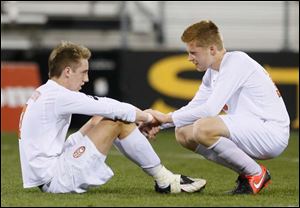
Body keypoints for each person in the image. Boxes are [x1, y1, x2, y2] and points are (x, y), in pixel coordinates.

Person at [18, 41, 206, 194]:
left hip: (50, 171)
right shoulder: (59, 96)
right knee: (117, 120)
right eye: (83, 72)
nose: (86, 79)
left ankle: (164, 179)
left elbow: (103, 108)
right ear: (67, 71)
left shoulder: (45, 91)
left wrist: (139, 116)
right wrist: (149, 117)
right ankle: (166, 180)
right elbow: (111, 107)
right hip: (57, 178)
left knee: (102, 117)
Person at [144, 20, 290, 195]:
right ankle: (249, 173)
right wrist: (159, 123)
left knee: (202, 128)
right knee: (183, 132)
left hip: (271, 132)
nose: (189, 58)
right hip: (251, 127)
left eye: (193, 52)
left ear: (212, 49)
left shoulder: (236, 62)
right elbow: (194, 107)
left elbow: (209, 111)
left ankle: (256, 174)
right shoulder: (212, 72)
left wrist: (165, 118)